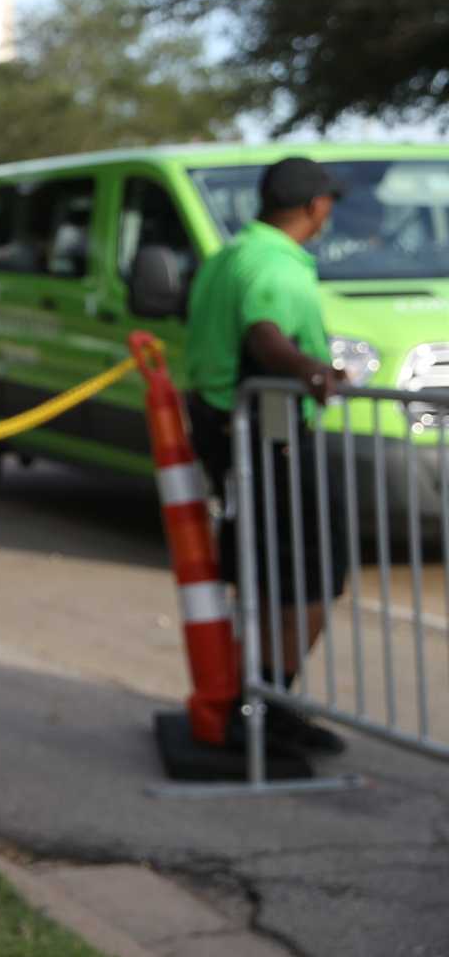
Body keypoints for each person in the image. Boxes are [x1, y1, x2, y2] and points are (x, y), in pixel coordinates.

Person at [185, 155, 350, 755]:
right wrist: (311, 369)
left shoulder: (229, 255)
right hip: (270, 440)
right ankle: (264, 704)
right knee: (312, 574)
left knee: (268, 574)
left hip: (235, 435)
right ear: (315, 207)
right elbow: (265, 335)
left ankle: (257, 699)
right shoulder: (274, 264)